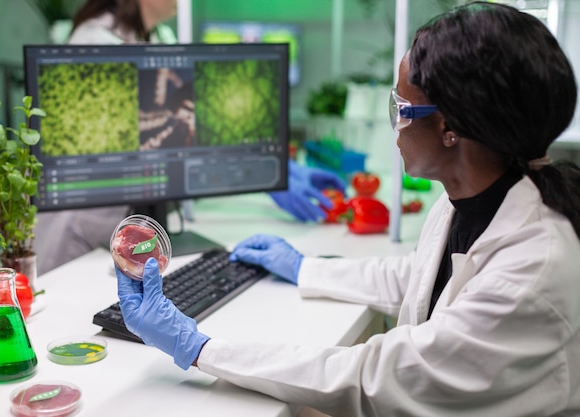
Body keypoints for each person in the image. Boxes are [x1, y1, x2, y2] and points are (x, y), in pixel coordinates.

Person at [115, 2, 580, 415]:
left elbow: (370, 377)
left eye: (402, 108)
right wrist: (304, 269)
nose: (394, 125)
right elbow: (418, 277)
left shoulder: (531, 268)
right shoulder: (479, 195)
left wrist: (196, 347)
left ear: (450, 129)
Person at [34, 0, 347, 275]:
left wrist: (281, 167)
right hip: (85, 230)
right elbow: (157, 141)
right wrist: (265, 173)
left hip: (130, 226)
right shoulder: (93, 43)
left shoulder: (160, 37)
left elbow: (199, 120)